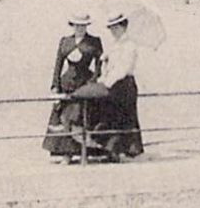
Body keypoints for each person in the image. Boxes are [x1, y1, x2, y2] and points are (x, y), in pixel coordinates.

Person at [42, 12, 102, 161]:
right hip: (67, 83)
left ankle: (85, 154)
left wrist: (92, 83)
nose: (80, 28)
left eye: (83, 26)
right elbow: (58, 64)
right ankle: (65, 154)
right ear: (72, 25)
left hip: (85, 83)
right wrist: (55, 85)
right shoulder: (65, 41)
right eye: (77, 25)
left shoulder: (94, 41)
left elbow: (99, 66)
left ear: (87, 26)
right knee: (63, 118)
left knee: (83, 117)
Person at [95, 11, 144, 161]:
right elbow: (109, 66)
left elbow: (123, 68)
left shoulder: (130, 45)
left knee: (125, 116)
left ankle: (127, 151)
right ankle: (112, 150)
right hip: (112, 84)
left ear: (124, 27)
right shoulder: (114, 45)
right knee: (112, 116)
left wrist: (108, 82)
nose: (113, 31)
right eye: (111, 28)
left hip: (124, 84)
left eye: (116, 28)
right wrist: (104, 70)